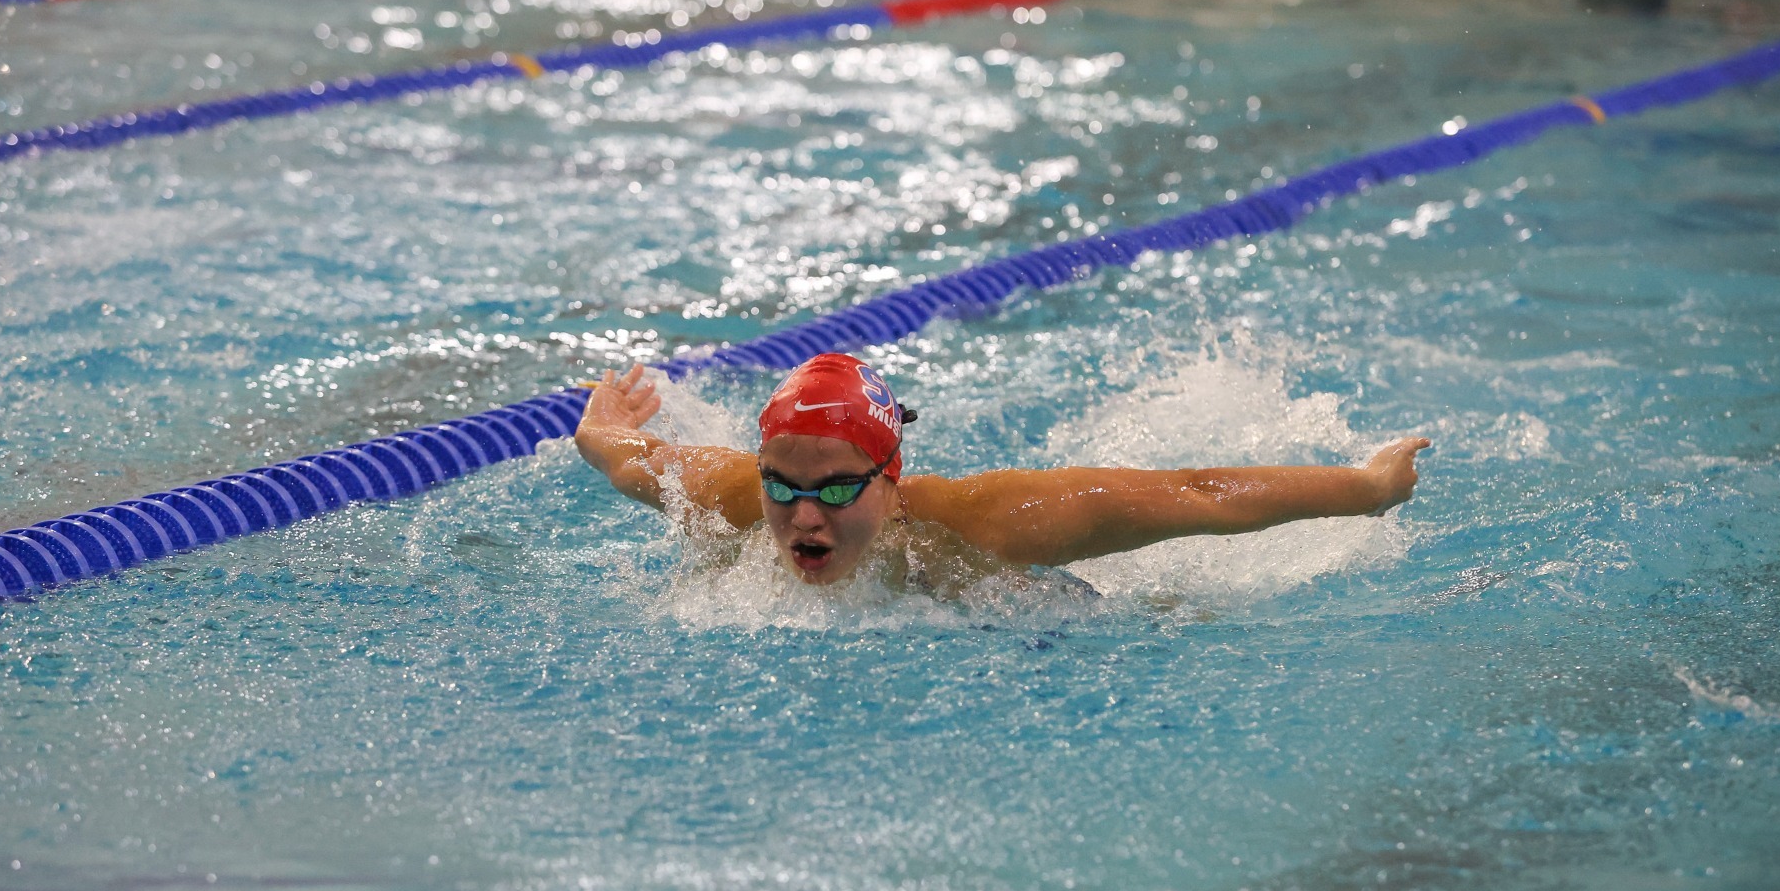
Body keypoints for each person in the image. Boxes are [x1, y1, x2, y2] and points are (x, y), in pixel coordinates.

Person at [573, 353, 1430, 590]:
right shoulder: (734, 500)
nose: (804, 516)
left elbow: (1192, 493)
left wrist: (1367, 488)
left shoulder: (990, 521)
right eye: (784, 486)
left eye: (836, 488)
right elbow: (632, 458)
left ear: (890, 481)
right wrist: (602, 428)